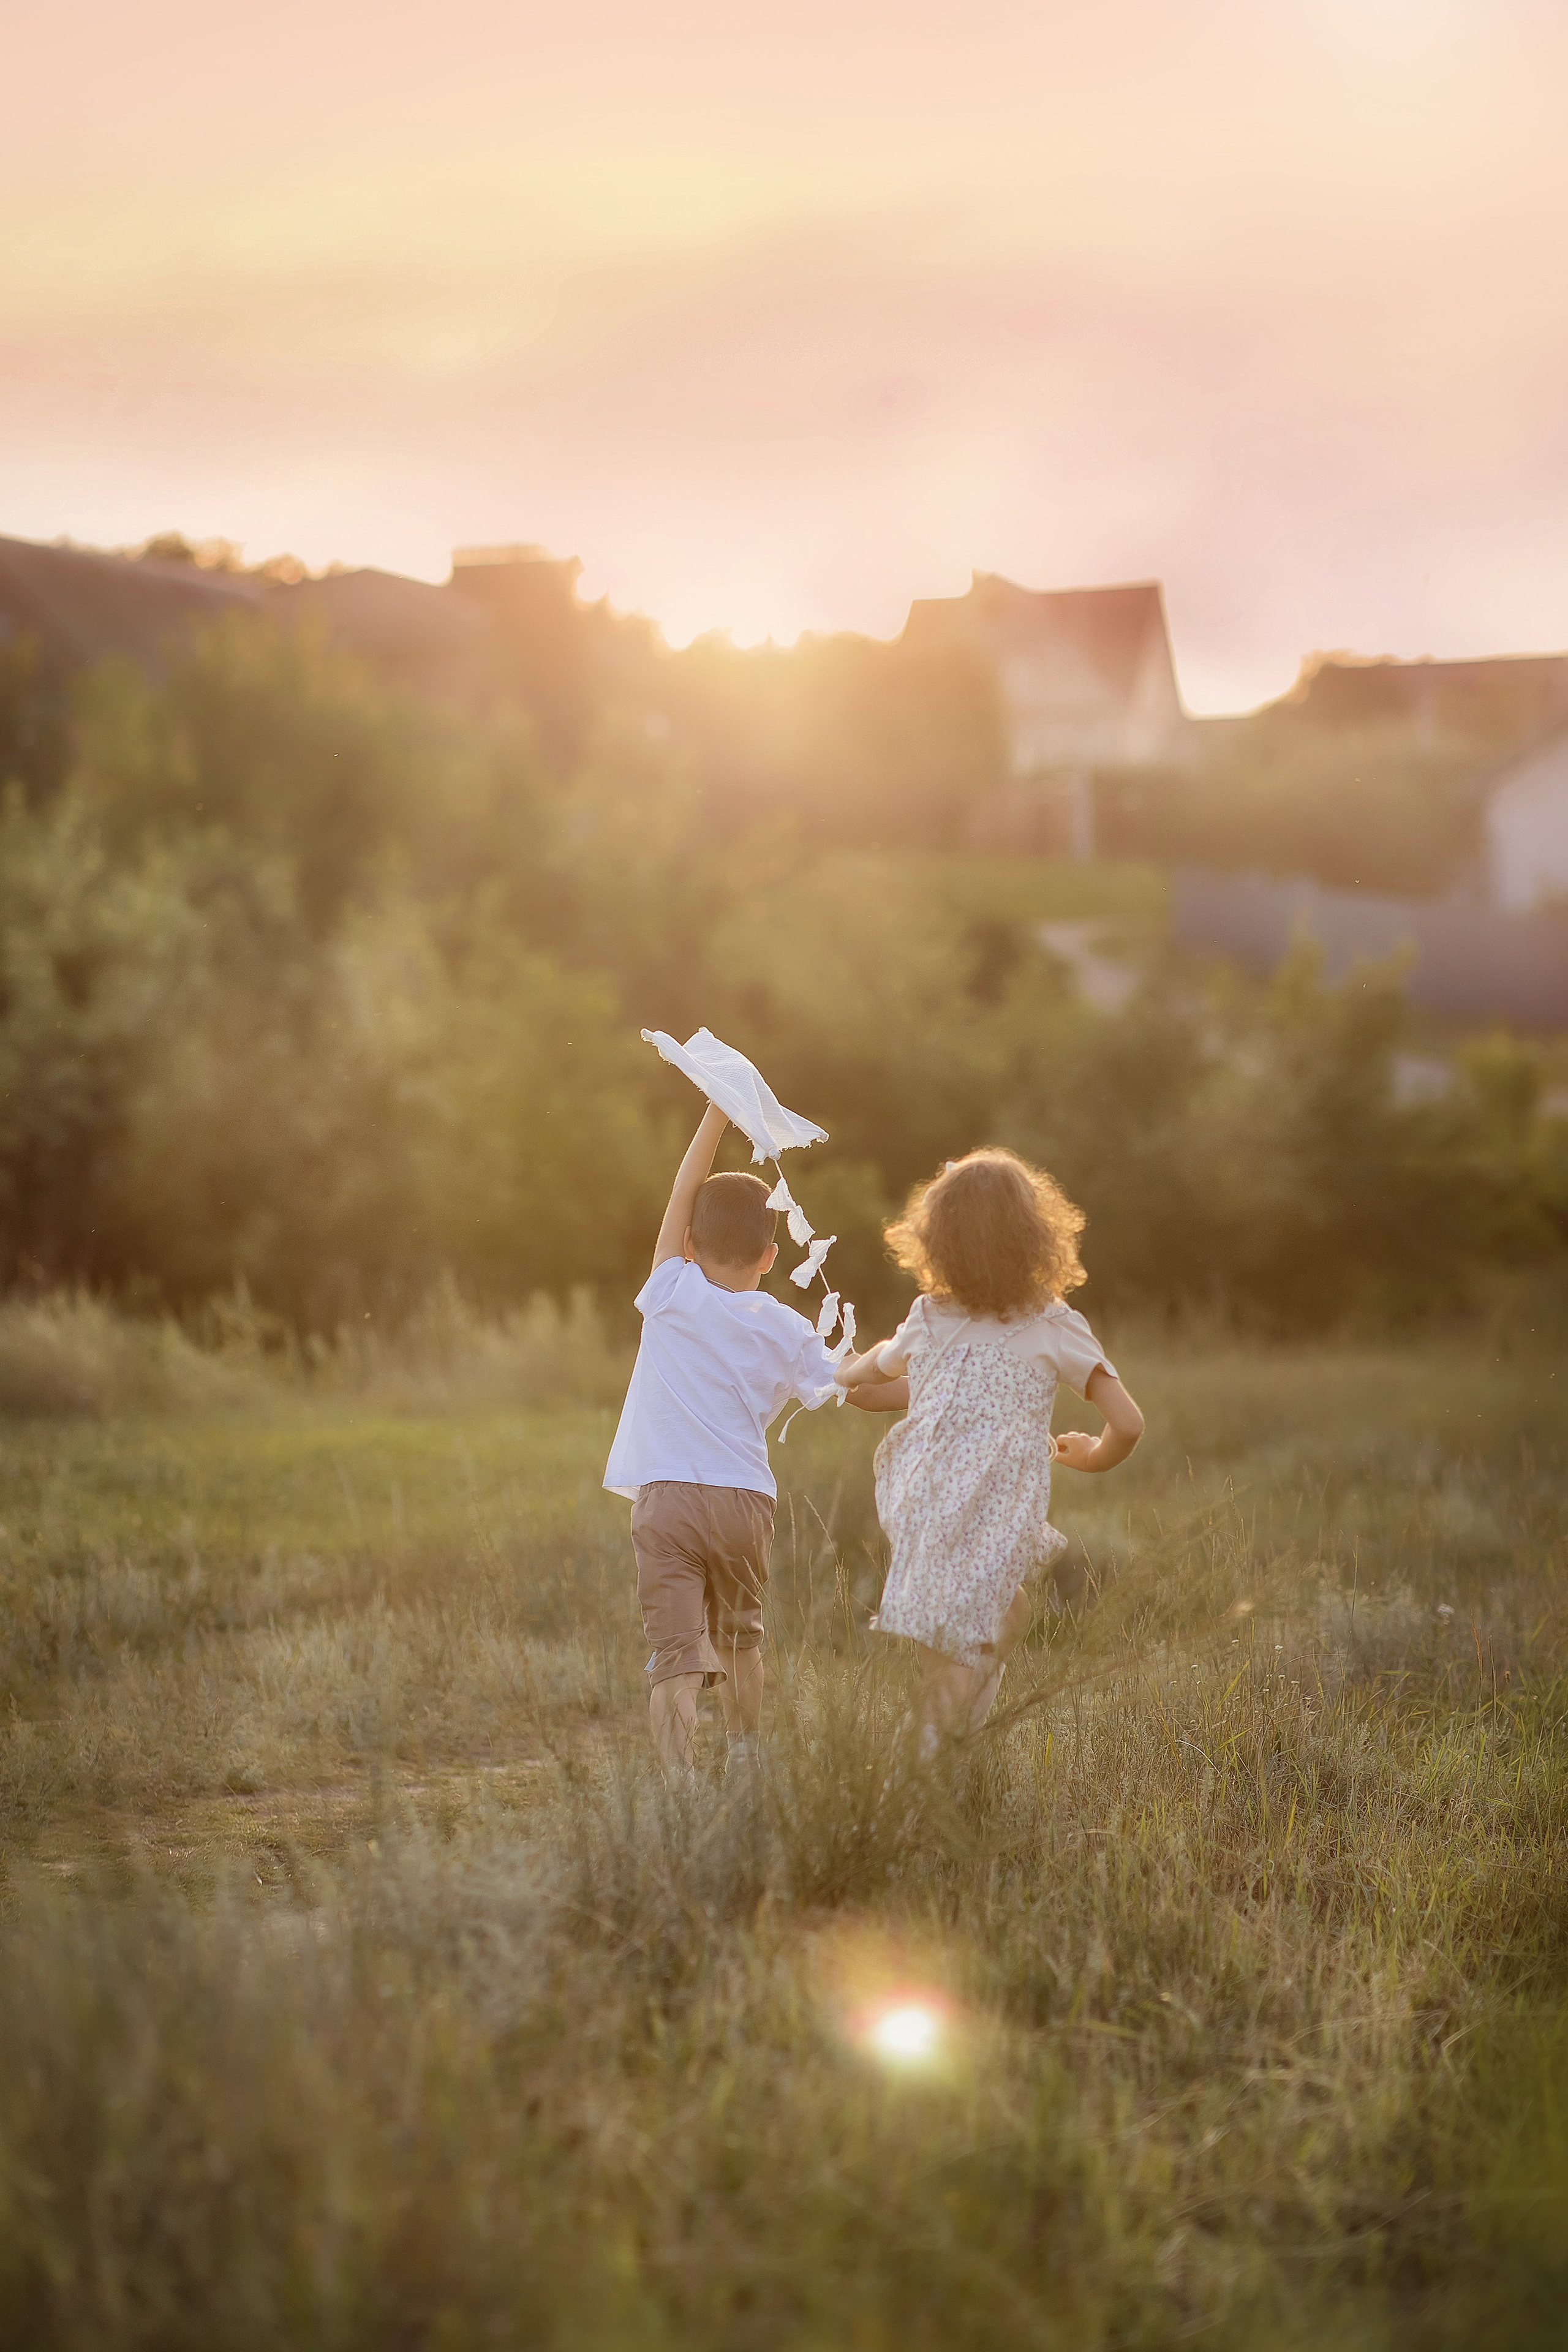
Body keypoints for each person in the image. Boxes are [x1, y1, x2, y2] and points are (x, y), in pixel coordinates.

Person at [605, 1104, 902, 1782]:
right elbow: (860, 1389)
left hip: (669, 1498)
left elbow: (684, 1194)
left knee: (676, 1655)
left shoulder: (672, 1289)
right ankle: (745, 1765)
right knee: (741, 1641)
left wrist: (715, 1112)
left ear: (686, 1244)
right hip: (744, 1505)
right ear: (771, 1256)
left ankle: (679, 1788)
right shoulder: (788, 1328)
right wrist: (936, 1385)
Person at [834, 1147, 1144, 1754]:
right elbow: (1127, 1424)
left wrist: (838, 1370)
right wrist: (1091, 1454)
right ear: (1036, 1237)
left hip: (923, 1502)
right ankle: (912, 1780)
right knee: (959, 1651)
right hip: (988, 1509)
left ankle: (949, 1749)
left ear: (938, 1242)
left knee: (1006, 1613)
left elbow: (866, 1383)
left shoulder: (928, 1317)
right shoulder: (1053, 1325)